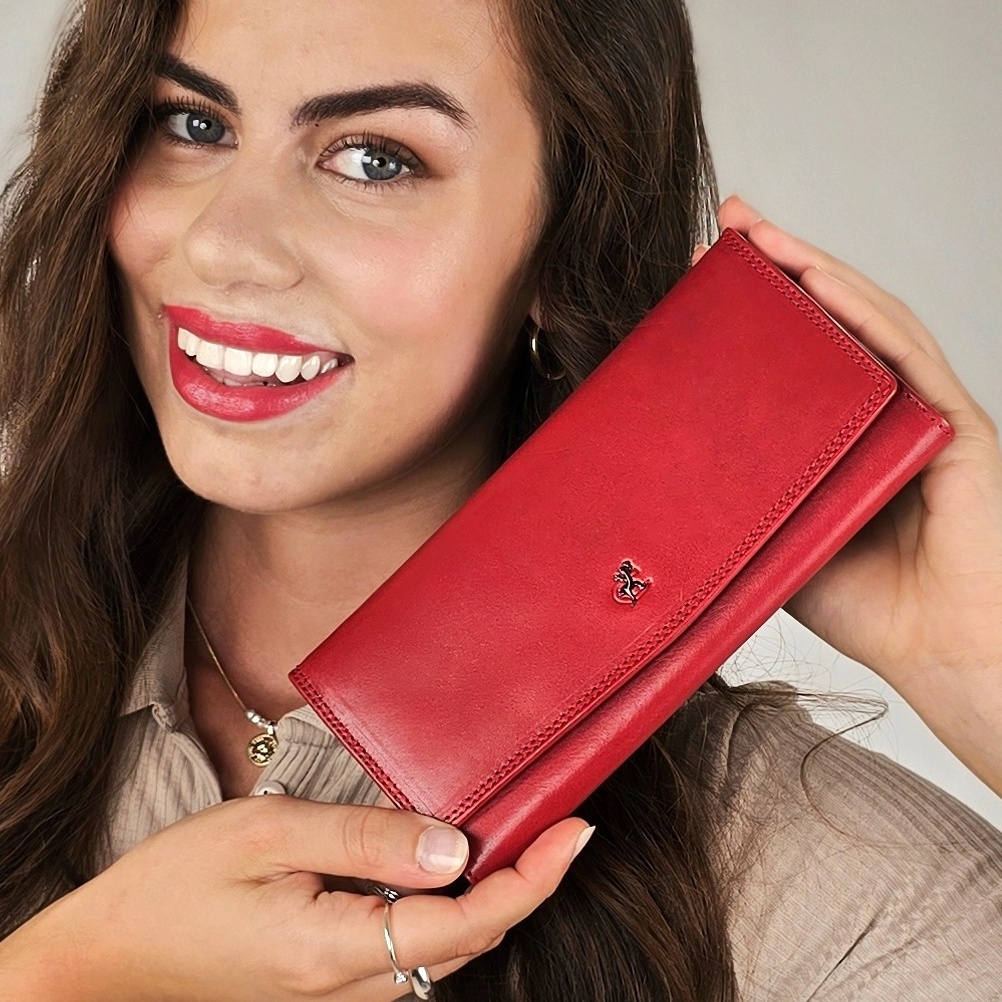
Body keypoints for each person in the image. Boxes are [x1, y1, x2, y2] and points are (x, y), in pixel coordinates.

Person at [0, 0, 999, 999]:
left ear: (564, 243)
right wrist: (66, 975)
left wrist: (975, 663)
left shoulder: (813, 878)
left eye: (375, 160)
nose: (225, 244)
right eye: (193, 123)